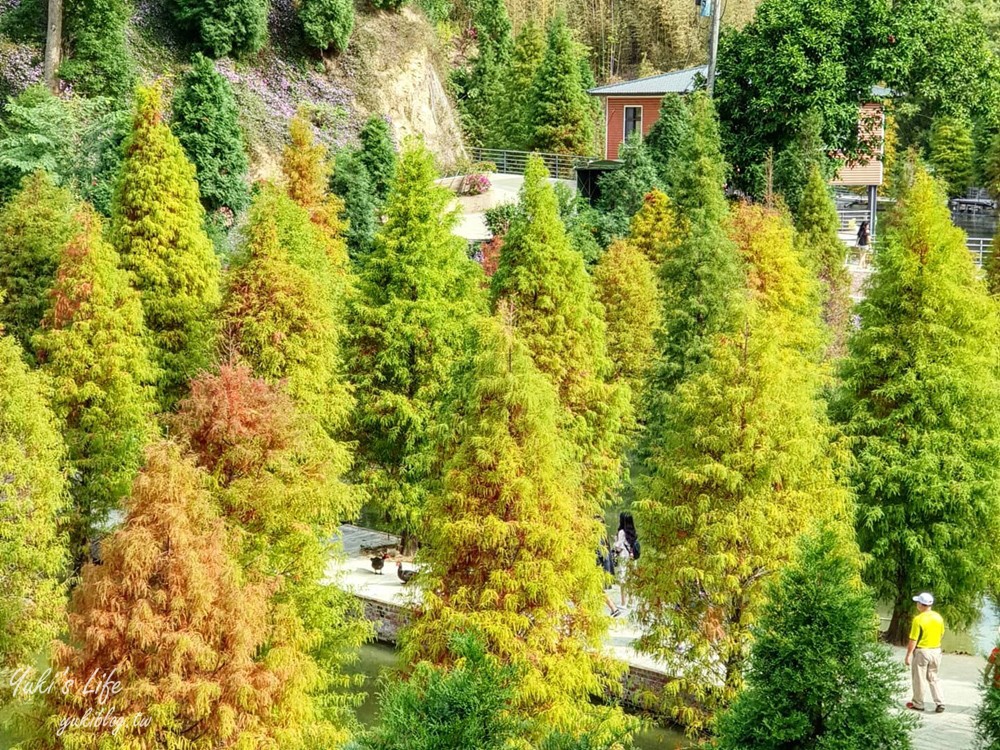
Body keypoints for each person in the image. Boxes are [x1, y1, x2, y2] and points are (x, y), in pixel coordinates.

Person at [905, 592, 946, 713]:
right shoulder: (939, 617)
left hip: (922, 651)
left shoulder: (918, 619)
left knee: (919, 678)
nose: (916, 604)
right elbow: (942, 633)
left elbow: (913, 639)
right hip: (936, 651)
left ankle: (918, 703)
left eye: (917, 602)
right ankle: (940, 702)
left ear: (921, 605)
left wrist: (908, 655)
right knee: (933, 677)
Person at [614, 513, 638, 608]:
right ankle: (631, 602)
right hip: (632, 558)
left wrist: (615, 540)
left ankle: (623, 603)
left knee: (623, 580)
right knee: (631, 579)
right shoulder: (634, 532)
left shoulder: (621, 532)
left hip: (624, 558)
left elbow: (618, 548)